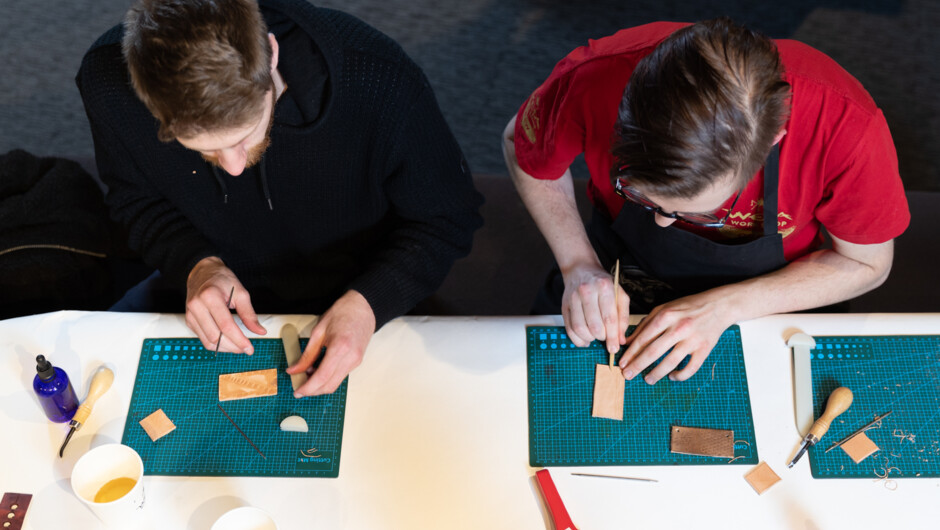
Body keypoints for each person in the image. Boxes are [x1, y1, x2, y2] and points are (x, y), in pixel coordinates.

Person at [77, 0, 483, 396]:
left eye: (244, 136)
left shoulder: (380, 79)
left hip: (365, 287)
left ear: (271, 53)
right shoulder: (107, 84)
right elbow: (135, 200)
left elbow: (446, 220)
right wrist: (196, 266)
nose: (234, 168)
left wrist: (370, 302)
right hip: (206, 297)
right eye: (204, 150)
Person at [503, 18, 909, 384]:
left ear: (772, 141)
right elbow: (521, 150)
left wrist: (726, 306)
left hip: (778, 294)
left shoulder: (844, 126)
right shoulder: (595, 76)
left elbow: (867, 264)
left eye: (700, 213)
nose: (663, 224)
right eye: (640, 196)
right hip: (622, 267)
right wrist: (578, 265)